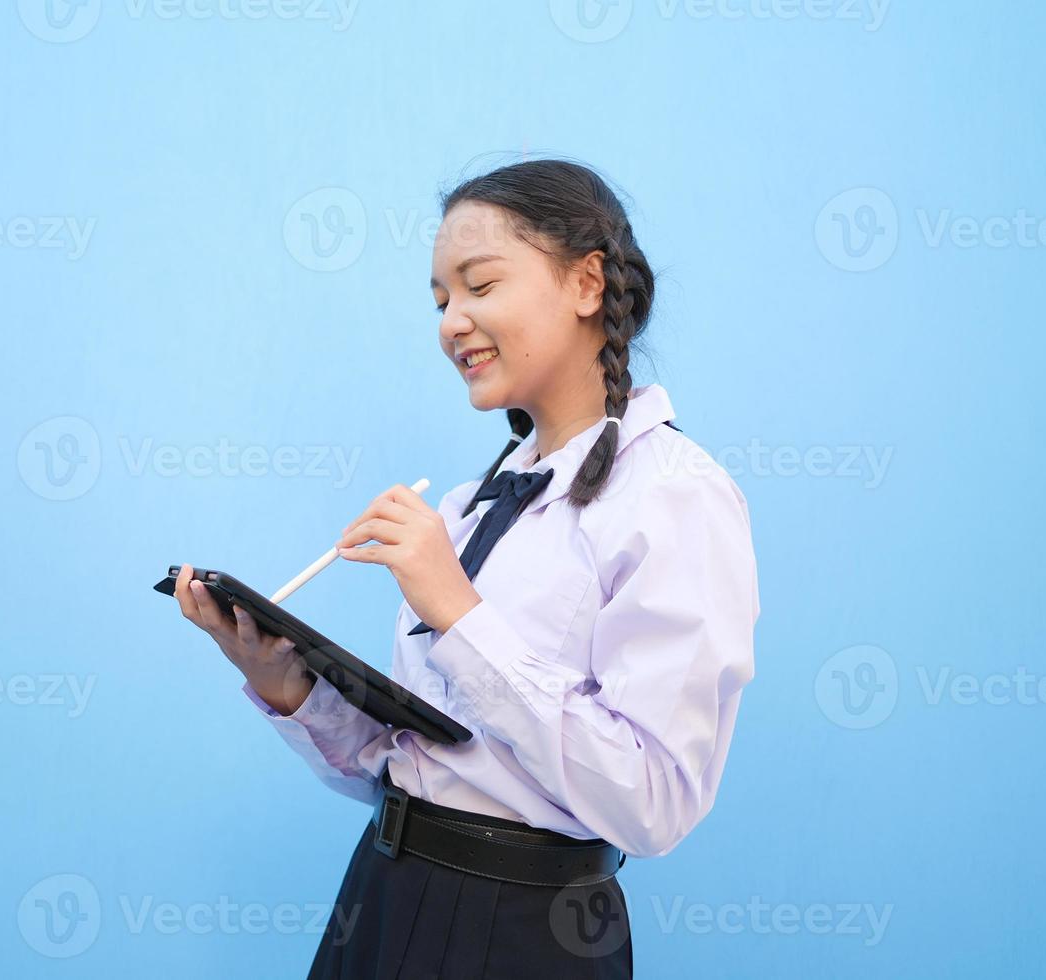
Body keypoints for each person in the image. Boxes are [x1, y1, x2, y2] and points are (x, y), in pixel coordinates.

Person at [173, 158, 760, 978]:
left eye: (479, 286)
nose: (452, 322)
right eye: (441, 299)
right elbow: (426, 763)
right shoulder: (468, 506)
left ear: (587, 284)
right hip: (380, 896)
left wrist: (461, 614)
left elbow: (653, 801)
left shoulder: (676, 497)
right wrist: (286, 685)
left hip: (527, 927)